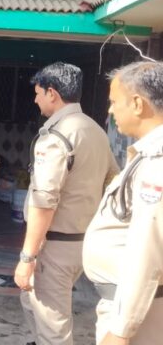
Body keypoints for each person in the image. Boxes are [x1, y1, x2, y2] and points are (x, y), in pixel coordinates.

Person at [14, 62, 119, 345]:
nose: (35, 100)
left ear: (52, 93)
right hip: (82, 242)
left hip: (55, 247)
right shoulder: (95, 130)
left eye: (38, 93)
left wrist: (27, 258)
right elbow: (113, 180)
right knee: (31, 300)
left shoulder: (56, 136)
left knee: (53, 326)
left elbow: (43, 202)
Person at [83, 61, 163, 345]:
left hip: (137, 311)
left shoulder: (156, 161)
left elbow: (147, 251)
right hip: (133, 304)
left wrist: (121, 330)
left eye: (114, 102)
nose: (109, 110)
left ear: (138, 104)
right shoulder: (145, 154)